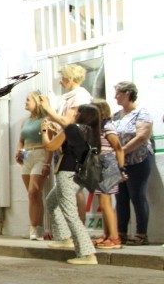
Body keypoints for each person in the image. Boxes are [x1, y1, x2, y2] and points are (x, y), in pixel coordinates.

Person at [41, 104, 101, 264]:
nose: (74, 113)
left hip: (67, 174)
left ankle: (88, 254)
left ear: (82, 115)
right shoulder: (90, 132)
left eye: (77, 111)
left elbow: (49, 146)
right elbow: (63, 151)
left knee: (71, 214)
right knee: (51, 202)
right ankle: (64, 237)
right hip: (78, 176)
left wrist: (44, 131)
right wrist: (58, 133)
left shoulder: (73, 129)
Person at [39, 64, 92, 222]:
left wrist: (47, 108)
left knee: (72, 192)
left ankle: (78, 227)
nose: (60, 81)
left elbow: (67, 122)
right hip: (64, 148)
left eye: (62, 77)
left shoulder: (80, 95)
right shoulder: (69, 96)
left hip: (72, 151)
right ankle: (70, 229)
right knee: (63, 193)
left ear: (70, 77)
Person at [112, 81, 154, 246]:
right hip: (119, 162)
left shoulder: (142, 113)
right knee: (121, 197)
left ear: (128, 93)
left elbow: (142, 136)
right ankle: (121, 233)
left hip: (138, 160)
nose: (115, 97)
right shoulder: (116, 115)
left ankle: (141, 234)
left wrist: (122, 150)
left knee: (137, 196)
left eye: (118, 93)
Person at [15, 91, 52, 240]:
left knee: (34, 191)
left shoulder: (46, 120)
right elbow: (21, 140)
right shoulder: (25, 121)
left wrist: (47, 163)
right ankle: (36, 227)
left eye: (28, 100)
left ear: (37, 102)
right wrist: (19, 151)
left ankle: (36, 227)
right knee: (32, 196)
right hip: (27, 155)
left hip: (40, 154)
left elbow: (49, 142)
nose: (25, 102)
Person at [91, 99, 124, 249]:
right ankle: (106, 234)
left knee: (106, 203)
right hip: (99, 165)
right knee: (103, 203)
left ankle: (115, 237)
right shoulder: (96, 128)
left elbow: (118, 148)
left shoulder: (107, 127)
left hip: (107, 165)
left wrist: (121, 168)